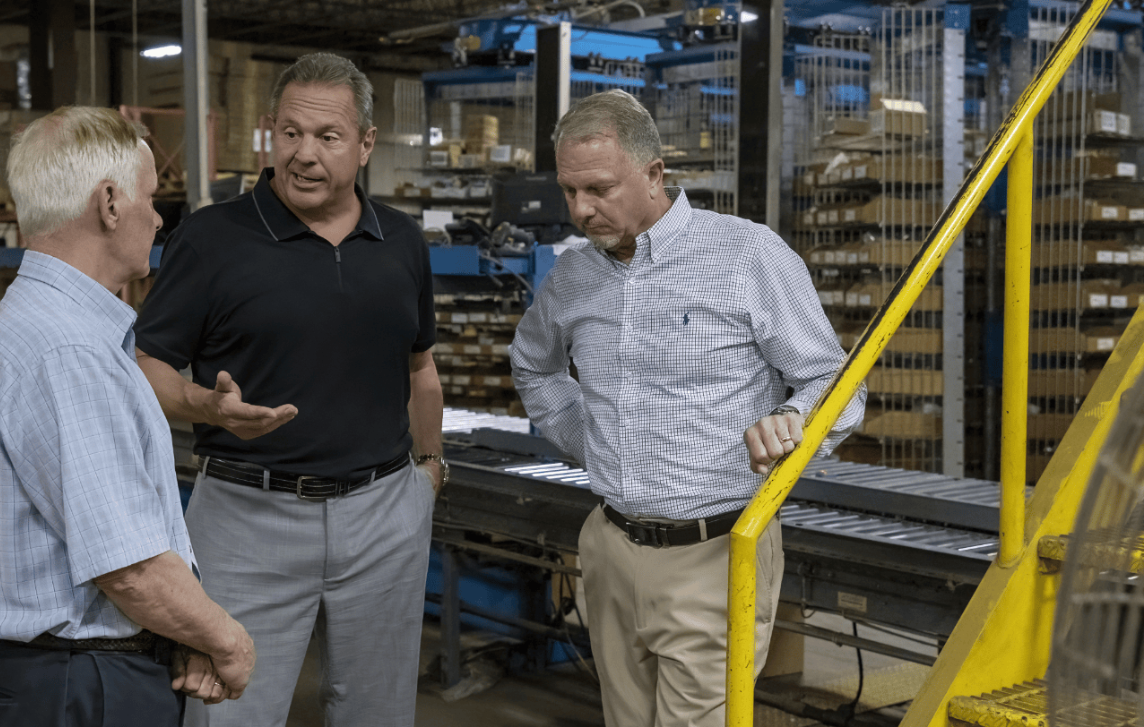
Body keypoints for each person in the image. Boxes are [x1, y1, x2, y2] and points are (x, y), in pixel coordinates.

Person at [509, 90, 866, 726]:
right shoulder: (574, 277)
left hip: (716, 550)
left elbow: (835, 382)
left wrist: (795, 420)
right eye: (569, 191)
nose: (581, 211)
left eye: (599, 189)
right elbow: (533, 365)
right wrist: (588, 439)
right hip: (610, 546)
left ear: (653, 174)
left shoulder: (747, 255)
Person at [133, 52, 443, 727]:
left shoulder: (402, 243)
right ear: (270, 131)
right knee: (227, 712)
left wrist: (429, 470)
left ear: (365, 143)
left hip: (385, 515)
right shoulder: (211, 239)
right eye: (290, 133)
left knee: (379, 713)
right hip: (248, 515)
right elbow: (146, 364)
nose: (304, 155)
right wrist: (203, 406)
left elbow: (420, 367)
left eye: (328, 138)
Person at [0, 106, 256, 727]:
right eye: (151, 197)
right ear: (109, 202)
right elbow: (130, 567)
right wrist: (227, 640)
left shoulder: (44, 324)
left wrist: (178, 631)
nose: (159, 217)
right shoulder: (70, 351)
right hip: (80, 685)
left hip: (55, 677)